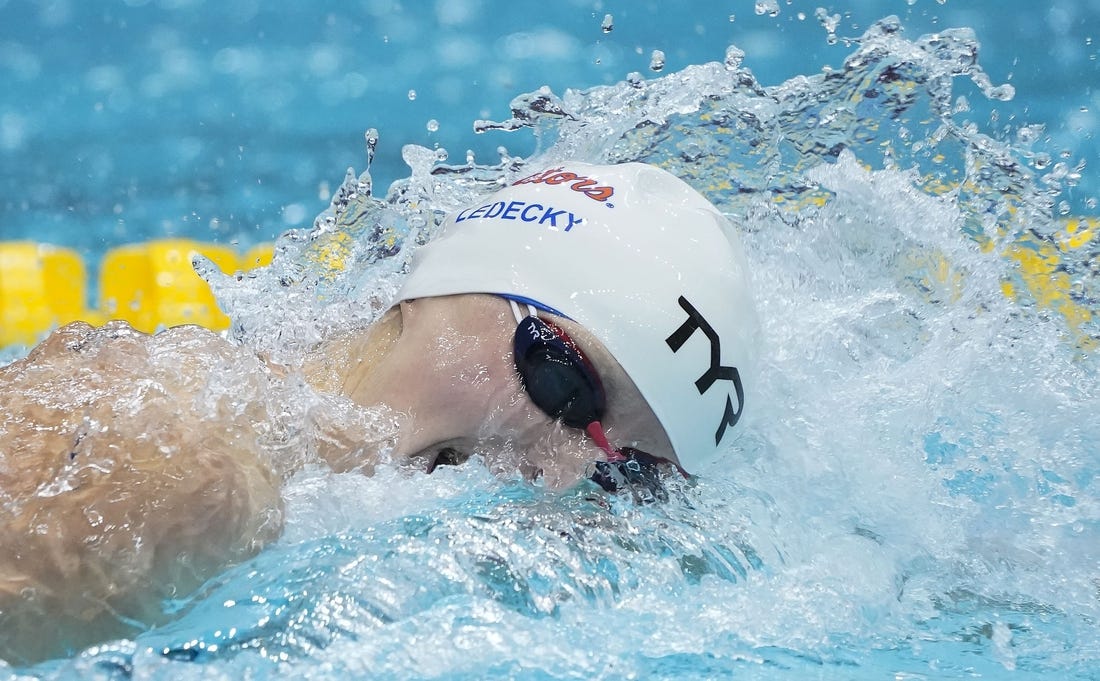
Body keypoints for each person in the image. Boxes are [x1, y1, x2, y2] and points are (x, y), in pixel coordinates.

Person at [0, 162, 757, 663]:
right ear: (441, 288)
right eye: (564, 384)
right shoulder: (193, 462)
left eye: (626, 476)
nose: (558, 479)